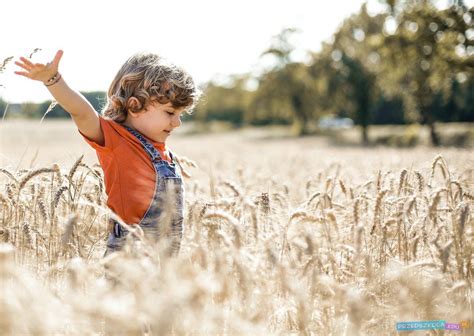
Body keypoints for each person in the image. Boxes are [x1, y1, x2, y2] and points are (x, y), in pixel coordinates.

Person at [14, 50, 200, 258]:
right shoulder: (116, 140)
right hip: (129, 254)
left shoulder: (162, 152)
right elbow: (82, 112)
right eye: (170, 113)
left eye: (180, 114)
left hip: (165, 259)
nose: (177, 123)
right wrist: (52, 79)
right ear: (134, 105)